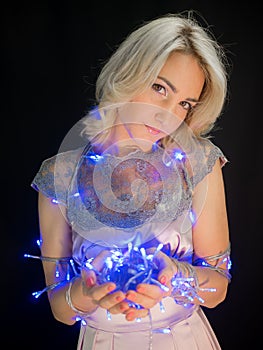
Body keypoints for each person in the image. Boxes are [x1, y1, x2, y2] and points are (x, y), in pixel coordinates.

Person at [29, 11, 232, 350]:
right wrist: (88, 291)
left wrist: (175, 276)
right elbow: (60, 309)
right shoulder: (60, 175)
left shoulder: (198, 162)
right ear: (127, 74)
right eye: (159, 88)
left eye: (184, 103)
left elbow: (218, 290)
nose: (168, 113)